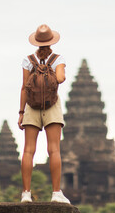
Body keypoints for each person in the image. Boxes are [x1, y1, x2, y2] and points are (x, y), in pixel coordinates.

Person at [17, 24, 70, 204]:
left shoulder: (28, 60)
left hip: (31, 107)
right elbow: (61, 78)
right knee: (54, 149)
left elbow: (24, 87)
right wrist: (52, 74)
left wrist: (21, 112)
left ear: (36, 42)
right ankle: (56, 193)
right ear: (52, 40)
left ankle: (26, 193)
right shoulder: (57, 58)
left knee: (28, 150)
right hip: (51, 106)